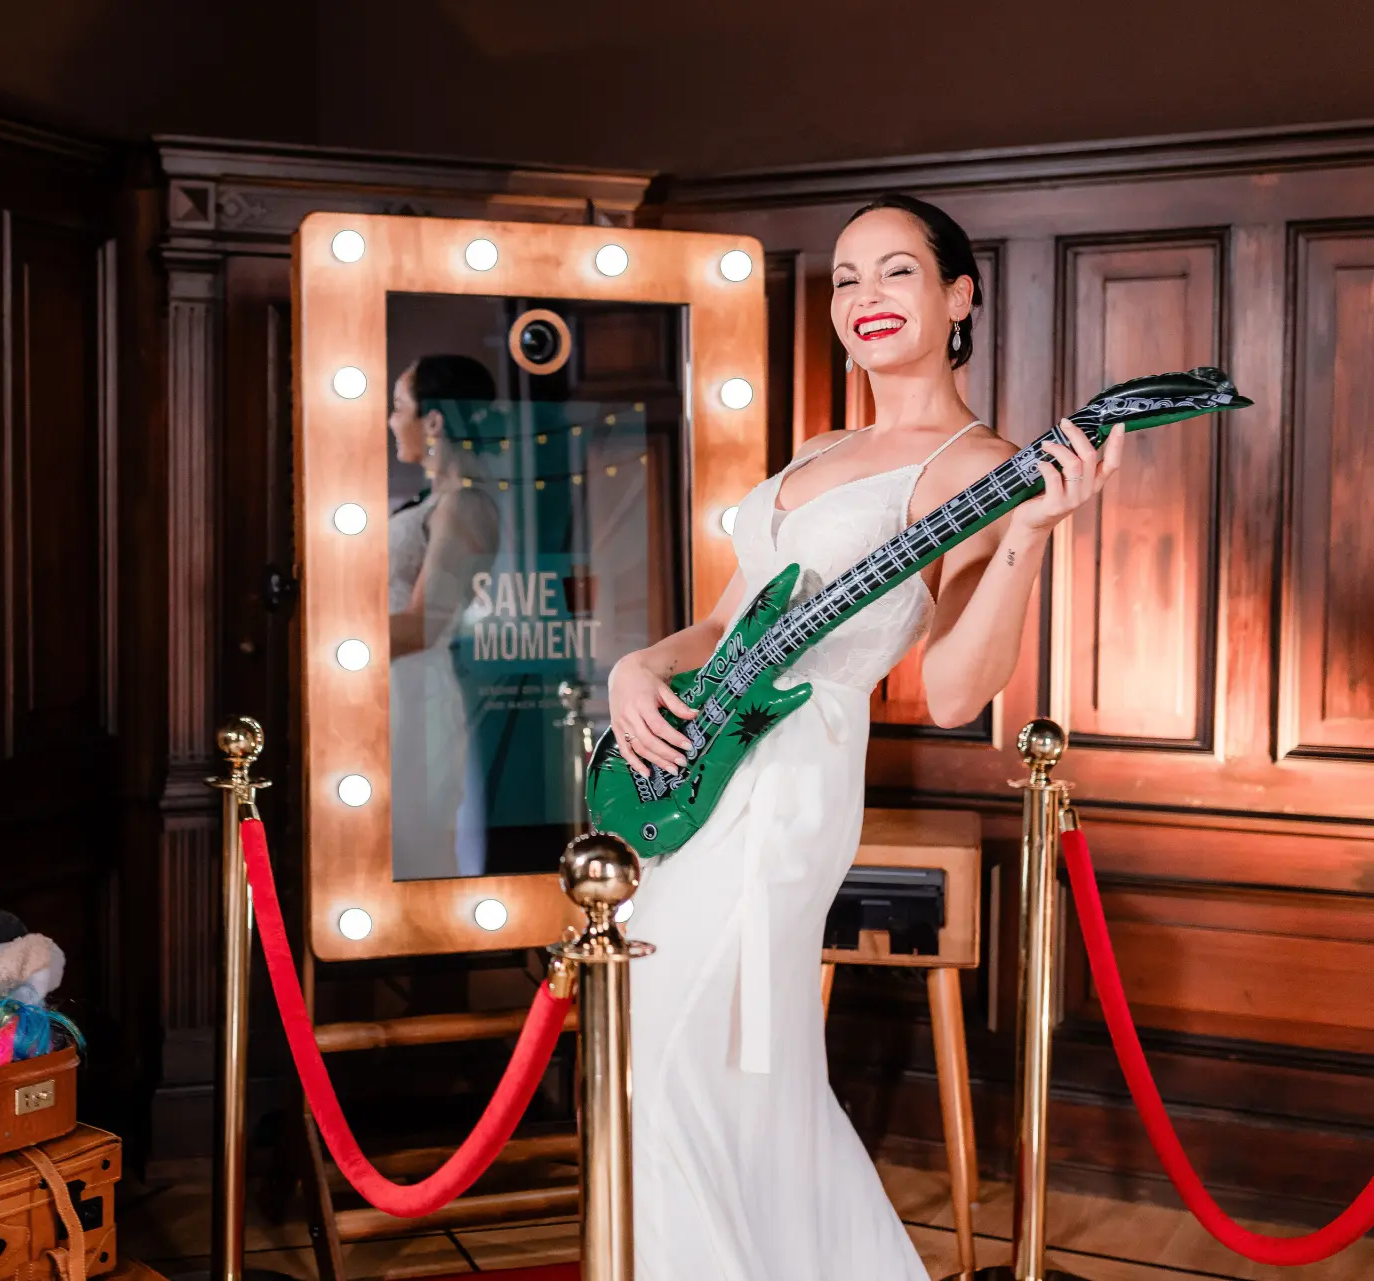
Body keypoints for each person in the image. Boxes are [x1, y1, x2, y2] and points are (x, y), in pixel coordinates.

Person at [611, 193, 1124, 1279]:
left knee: (664, 1067)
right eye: (846, 278)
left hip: (788, 787)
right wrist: (634, 667)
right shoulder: (820, 447)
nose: (864, 298)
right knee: (712, 1072)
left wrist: (1026, 536)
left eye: (896, 272)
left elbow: (948, 690)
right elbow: (722, 621)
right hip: (700, 772)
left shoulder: (976, 465)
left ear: (957, 295)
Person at [387, 355, 500, 879]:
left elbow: (427, 625)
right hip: (397, 685)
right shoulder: (433, 500)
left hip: (418, 692)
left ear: (433, 420)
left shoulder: (466, 505)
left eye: (399, 407)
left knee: (415, 847)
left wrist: (333, 640)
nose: (392, 422)